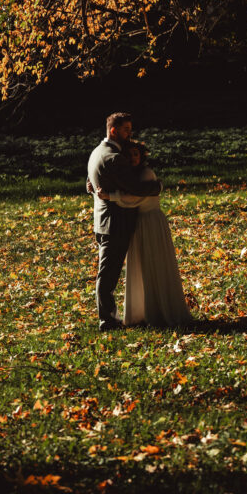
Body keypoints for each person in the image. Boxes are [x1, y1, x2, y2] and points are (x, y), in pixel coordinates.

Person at [96, 140, 192, 328]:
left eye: (135, 155)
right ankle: (143, 311)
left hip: (151, 223)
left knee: (155, 266)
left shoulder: (146, 174)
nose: (132, 158)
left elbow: (135, 199)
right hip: (139, 225)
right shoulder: (130, 175)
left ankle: (161, 311)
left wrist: (110, 196)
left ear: (142, 157)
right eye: (129, 155)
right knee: (141, 268)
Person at [87, 113, 161, 331]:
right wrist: (158, 187)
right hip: (115, 222)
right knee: (108, 275)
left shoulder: (96, 152)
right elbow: (134, 187)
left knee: (107, 272)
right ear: (114, 131)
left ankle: (109, 317)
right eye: (126, 129)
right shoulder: (114, 158)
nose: (130, 134)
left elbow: (90, 182)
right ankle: (107, 320)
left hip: (102, 220)